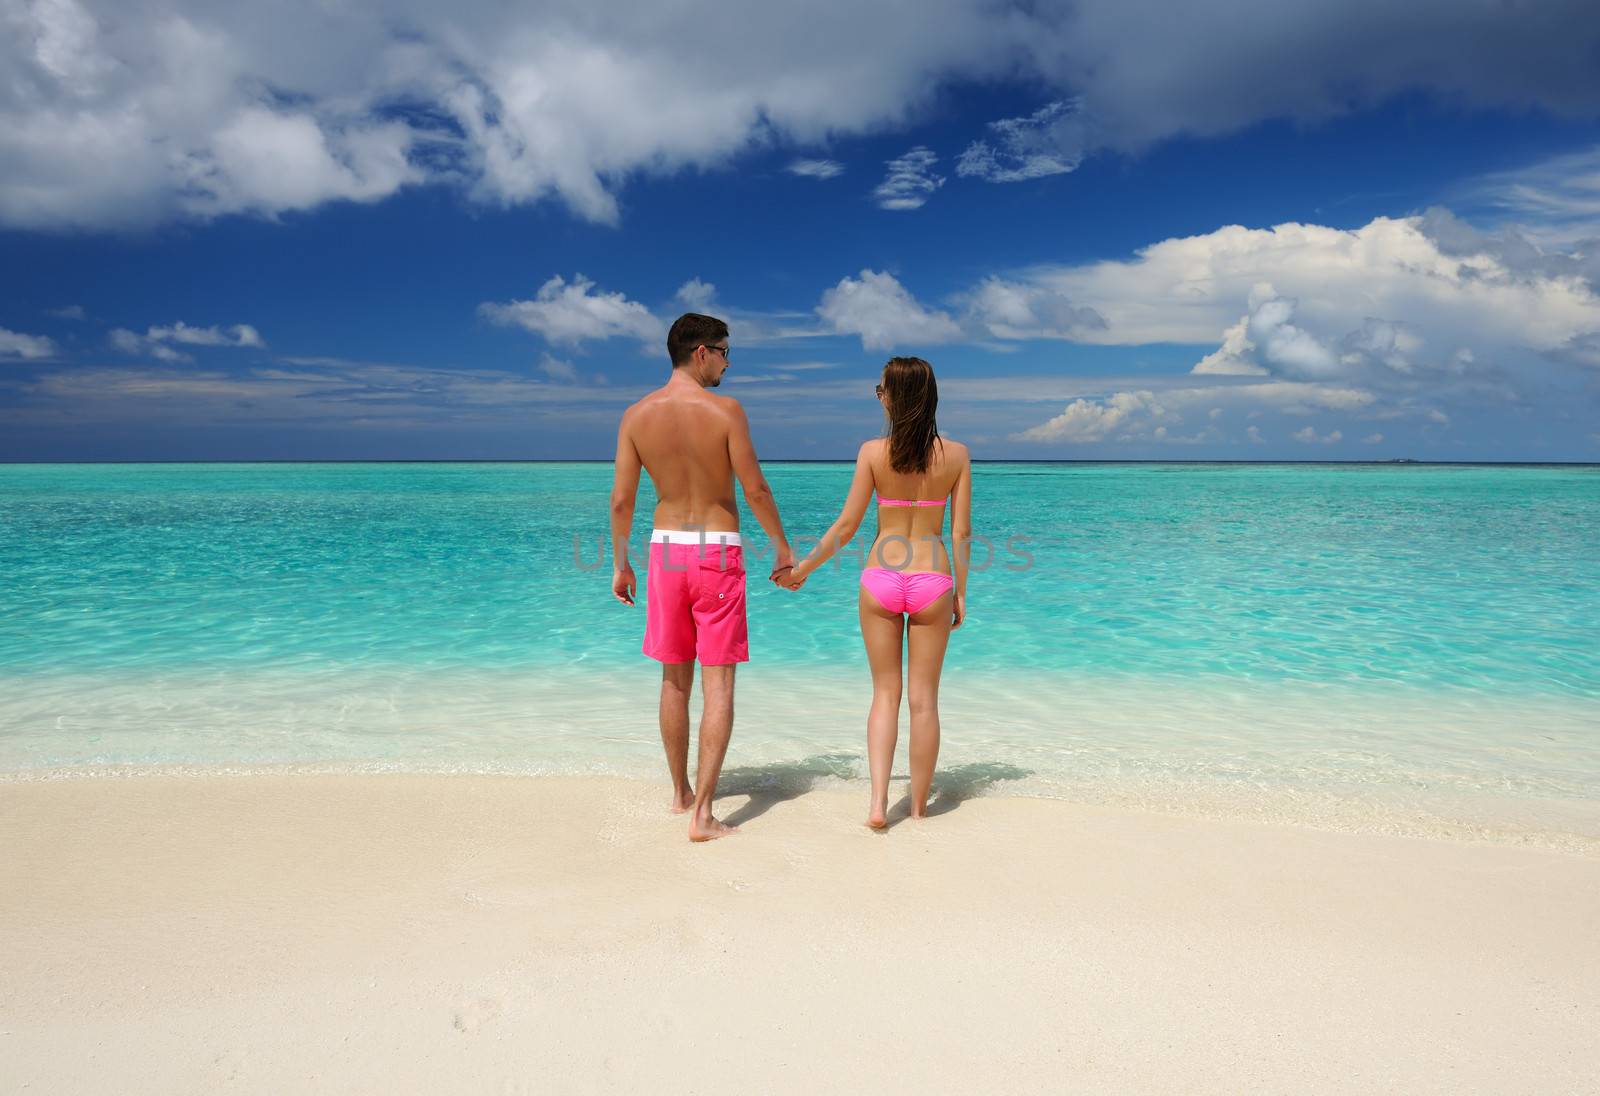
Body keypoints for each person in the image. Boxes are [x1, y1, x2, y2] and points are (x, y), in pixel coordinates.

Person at [610, 313, 796, 842]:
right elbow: (755, 488)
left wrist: (621, 563)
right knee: (718, 685)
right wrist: (781, 545)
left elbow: (623, 498)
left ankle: (680, 794)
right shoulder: (725, 411)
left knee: (673, 680)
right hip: (716, 551)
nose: (727, 362)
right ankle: (704, 816)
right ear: (700, 353)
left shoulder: (635, 416)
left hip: (665, 552)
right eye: (723, 351)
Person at [781, 356, 970, 829]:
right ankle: (922, 808)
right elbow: (962, 533)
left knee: (885, 694)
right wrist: (960, 592)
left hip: (880, 578)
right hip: (933, 579)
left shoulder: (870, 452)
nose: (877, 396)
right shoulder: (959, 455)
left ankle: (878, 805)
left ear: (892, 397)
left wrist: (803, 567)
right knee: (924, 700)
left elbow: (846, 526)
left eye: (880, 389)